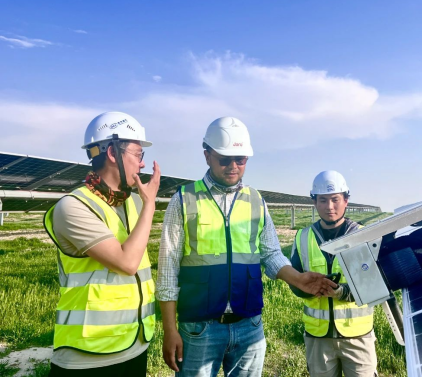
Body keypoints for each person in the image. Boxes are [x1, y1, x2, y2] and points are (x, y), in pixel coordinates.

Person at [156, 117, 336, 377]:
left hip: (249, 326)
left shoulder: (255, 200)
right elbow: (167, 269)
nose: (233, 166)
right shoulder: (184, 200)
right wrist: (170, 329)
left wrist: (297, 279)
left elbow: (271, 254)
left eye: (240, 159)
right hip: (199, 328)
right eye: (224, 159)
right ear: (207, 156)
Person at [43, 112, 161, 377]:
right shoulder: (73, 207)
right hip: (88, 355)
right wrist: (150, 205)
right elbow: (127, 263)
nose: (142, 163)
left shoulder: (133, 203)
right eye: (138, 154)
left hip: (134, 343)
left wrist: (145, 204)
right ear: (112, 153)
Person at [290, 171, 378, 377]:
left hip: (357, 336)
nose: (329, 206)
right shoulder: (302, 237)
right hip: (318, 337)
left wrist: (342, 292)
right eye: (323, 200)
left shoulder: (363, 236)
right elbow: (294, 281)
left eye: (335, 199)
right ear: (314, 202)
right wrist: (307, 287)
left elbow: (374, 285)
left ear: (346, 200)